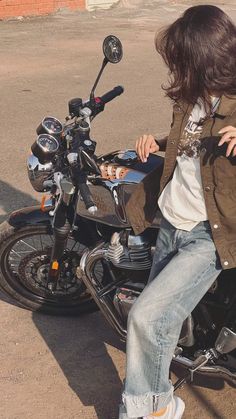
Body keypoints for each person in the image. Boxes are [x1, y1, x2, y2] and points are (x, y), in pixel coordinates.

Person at [119, 5, 236, 419]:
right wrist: (158, 141)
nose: (178, 69)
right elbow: (190, 142)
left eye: (183, 60)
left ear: (206, 57)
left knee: (148, 319)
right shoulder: (192, 98)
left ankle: (150, 411)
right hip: (172, 221)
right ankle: (161, 398)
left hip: (208, 236)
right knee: (165, 324)